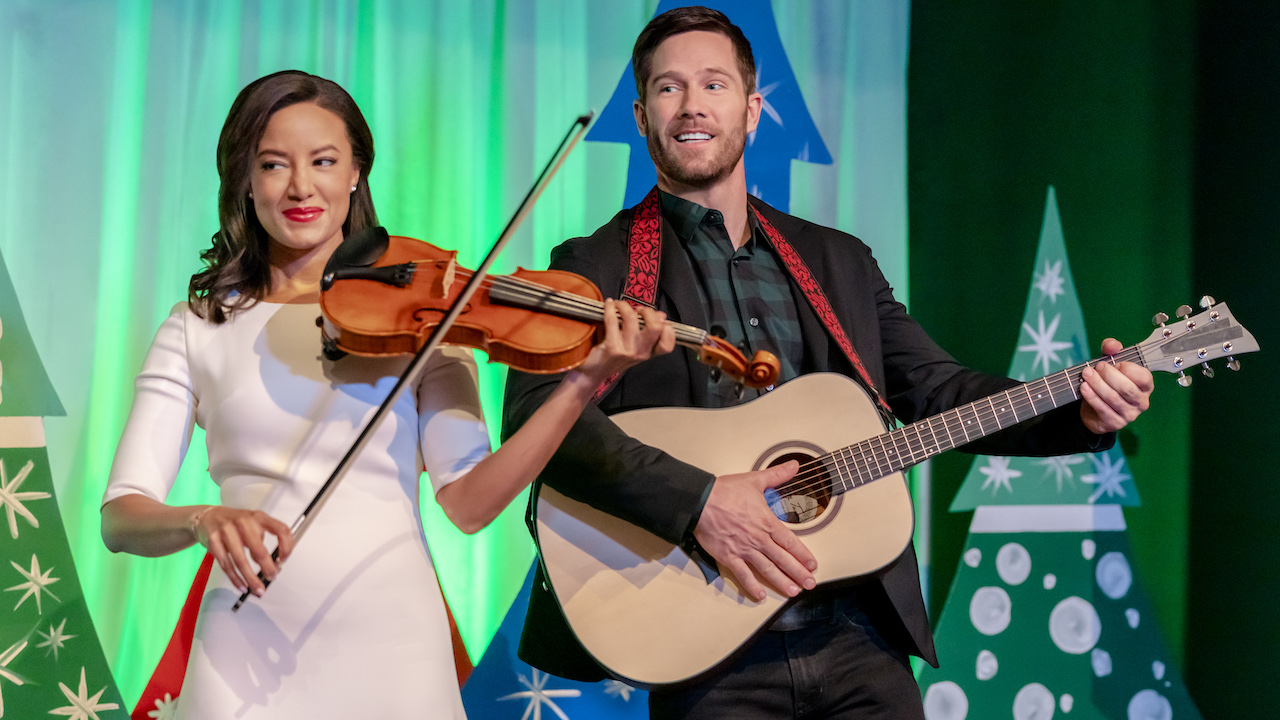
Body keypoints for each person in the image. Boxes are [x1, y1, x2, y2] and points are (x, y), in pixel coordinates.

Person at [501, 7, 1154, 719]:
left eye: (714, 85)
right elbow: (538, 419)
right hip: (707, 644)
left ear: (751, 111)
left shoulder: (837, 260)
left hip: (859, 634)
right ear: (640, 113)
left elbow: (941, 392)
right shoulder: (593, 265)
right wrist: (699, 501)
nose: (692, 105)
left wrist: (1081, 410)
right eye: (669, 88)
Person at [99, 70, 674, 719]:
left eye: (323, 161)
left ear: (355, 173)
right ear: (244, 179)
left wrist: (581, 384)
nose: (299, 186)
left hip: (395, 651)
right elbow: (120, 517)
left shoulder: (426, 312)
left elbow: (469, 503)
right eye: (272, 164)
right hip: (239, 650)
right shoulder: (196, 327)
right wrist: (201, 520)